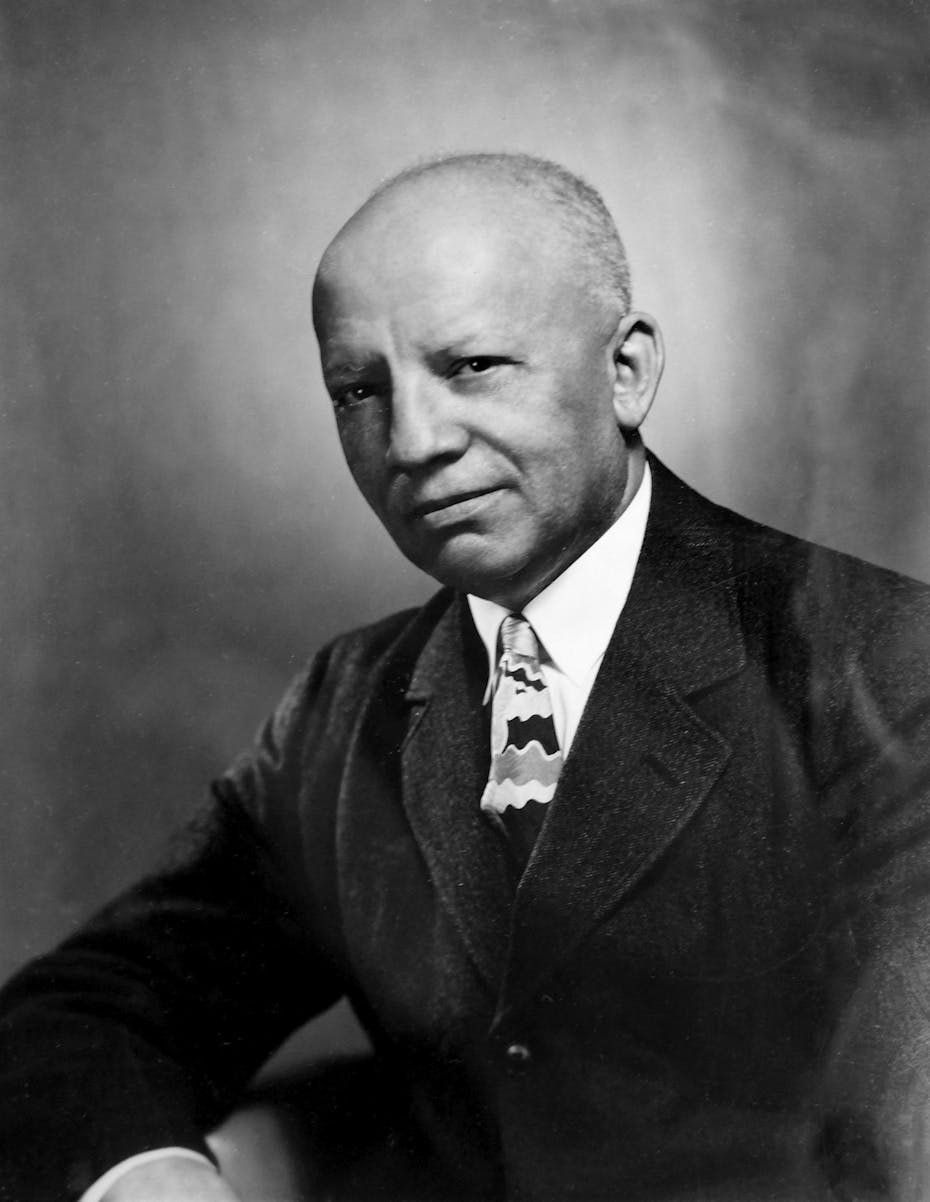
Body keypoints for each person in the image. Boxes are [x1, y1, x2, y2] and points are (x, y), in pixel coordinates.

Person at [2, 152, 930, 1202]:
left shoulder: (885, 670)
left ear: (626, 372)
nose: (414, 440)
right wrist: (150, 1178)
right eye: (359, 389)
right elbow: (95, 1006)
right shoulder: (344, 707)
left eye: (474, 365)